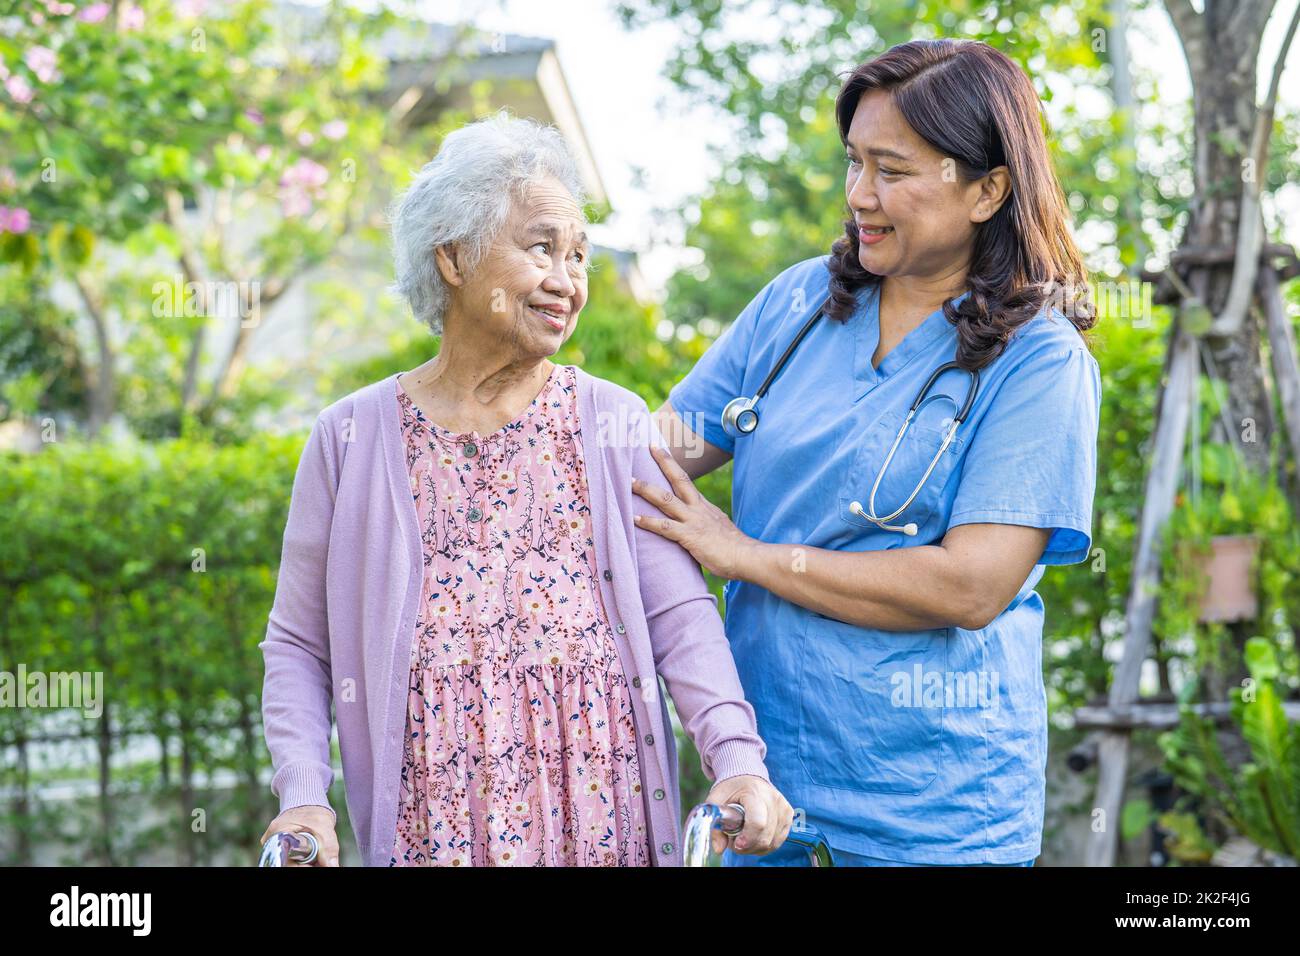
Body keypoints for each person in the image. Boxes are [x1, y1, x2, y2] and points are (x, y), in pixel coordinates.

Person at [257, 111, 792, 866]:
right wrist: (304, 795)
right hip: (432, 826)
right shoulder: (350, 437)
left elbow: (679, 616)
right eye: (542, 247)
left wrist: (737, 760)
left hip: (600, 819)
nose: (567, 280)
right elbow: (298, 643)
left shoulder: (613, 422)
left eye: (579, 256)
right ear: (453, 256)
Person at [635, 39, 1101, 866]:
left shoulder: (1039, 361)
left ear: (987, 189)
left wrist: (745, 556)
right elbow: (653, 460)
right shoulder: (797, 303)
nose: (859, 195)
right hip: (764, 791)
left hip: (932, 816)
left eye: (892, 169)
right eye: (854, 162)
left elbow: (970, 584)